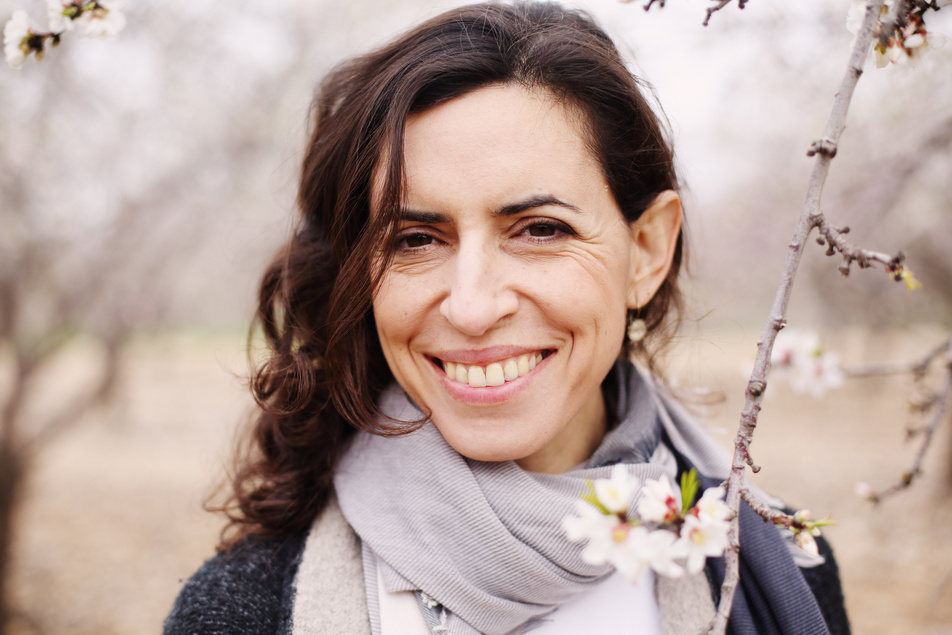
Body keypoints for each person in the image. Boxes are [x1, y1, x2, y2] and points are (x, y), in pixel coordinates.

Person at [163, 2, 850, 634]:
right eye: (414, 240)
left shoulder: (776, 570)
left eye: (540, 229)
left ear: (645, 250)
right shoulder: (242, 609)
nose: (472, 305)